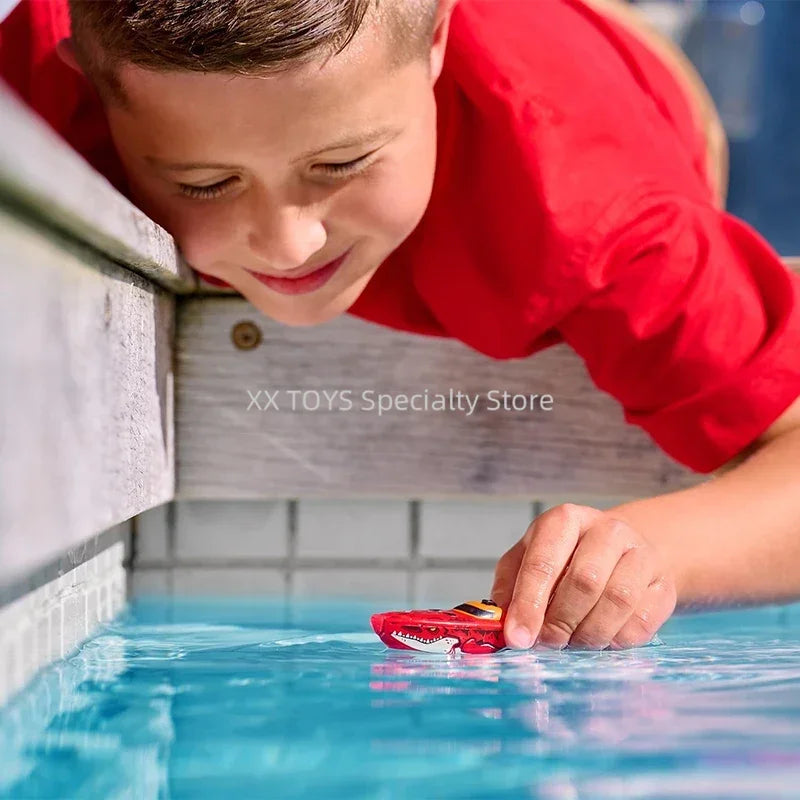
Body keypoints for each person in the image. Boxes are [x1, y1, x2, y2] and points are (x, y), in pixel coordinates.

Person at [3, 0, 799, 651]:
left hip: (624, 84)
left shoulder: (599, 220)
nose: (290, 244)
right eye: (205, 183)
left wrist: (658, 551)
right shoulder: (42, 66)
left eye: (341, 164)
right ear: (89, 84)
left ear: (437, 43)